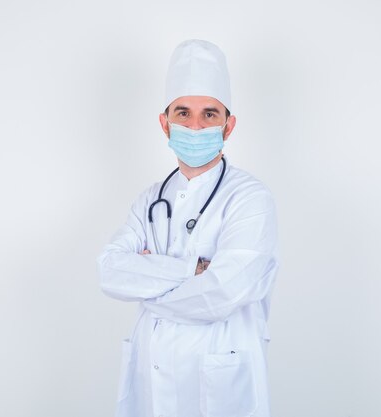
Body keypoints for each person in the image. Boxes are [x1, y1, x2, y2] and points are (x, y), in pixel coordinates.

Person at [98, 39, 279, 417]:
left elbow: (221, 293)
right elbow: (111, 271)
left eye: (209, 114)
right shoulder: (150, 199)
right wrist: (191, 269)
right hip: (152, 376)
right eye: (183, 113)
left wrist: (147, 285)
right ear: (165, 123)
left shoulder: (250, 199)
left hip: (222, 381)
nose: (195, 126)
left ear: (228, 126)